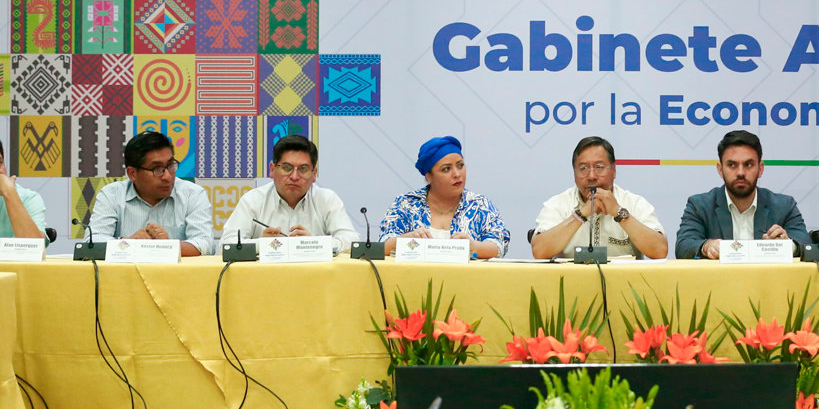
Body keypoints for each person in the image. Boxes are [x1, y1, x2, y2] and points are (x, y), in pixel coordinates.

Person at [675, 130, 811, 259]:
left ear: (760, 169)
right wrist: (706, 246)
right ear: (720, 169)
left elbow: (807, 245)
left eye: (748, 164)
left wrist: (786, 245)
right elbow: (683, 246)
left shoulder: (784, 206)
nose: (740, 172)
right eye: (732, 165)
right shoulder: (700, 205)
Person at [532, 136, 667, 260]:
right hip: (570, 284)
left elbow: (660, 250)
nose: (592, 176)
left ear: (614, 171)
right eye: (583, 168)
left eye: (599, 167)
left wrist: (618, 212)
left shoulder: (634, 203)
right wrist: (581, 214)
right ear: (574, 174)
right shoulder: (557, 204)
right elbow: (539, 251)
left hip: (625, 284)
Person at [221, 135, 359, 253]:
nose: (294, 176)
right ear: (272, 170)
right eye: (287, 168)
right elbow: (226, 245)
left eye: (303, 169)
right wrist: (262, 245)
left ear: (314, 174)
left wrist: (313, 244)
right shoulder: (253, 200)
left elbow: (352, 241)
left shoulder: (327, 199)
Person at [376, 136, 509, 258]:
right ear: (429, 177)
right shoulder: (406, 204)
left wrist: (473, 246)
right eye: (446, 169)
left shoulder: (480, 205)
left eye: (460, 165)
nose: (457, 174)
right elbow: (383, 245)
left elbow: (498, 246)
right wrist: (406, 240)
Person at [89, 131, 215, 256]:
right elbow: (93, 243)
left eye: (171, 166)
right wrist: (129, 243)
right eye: (157, 169)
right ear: (132, 173)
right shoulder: (111, 195)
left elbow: (206, 244)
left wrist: (166, 246)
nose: (167, 176)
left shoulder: (192, 194)